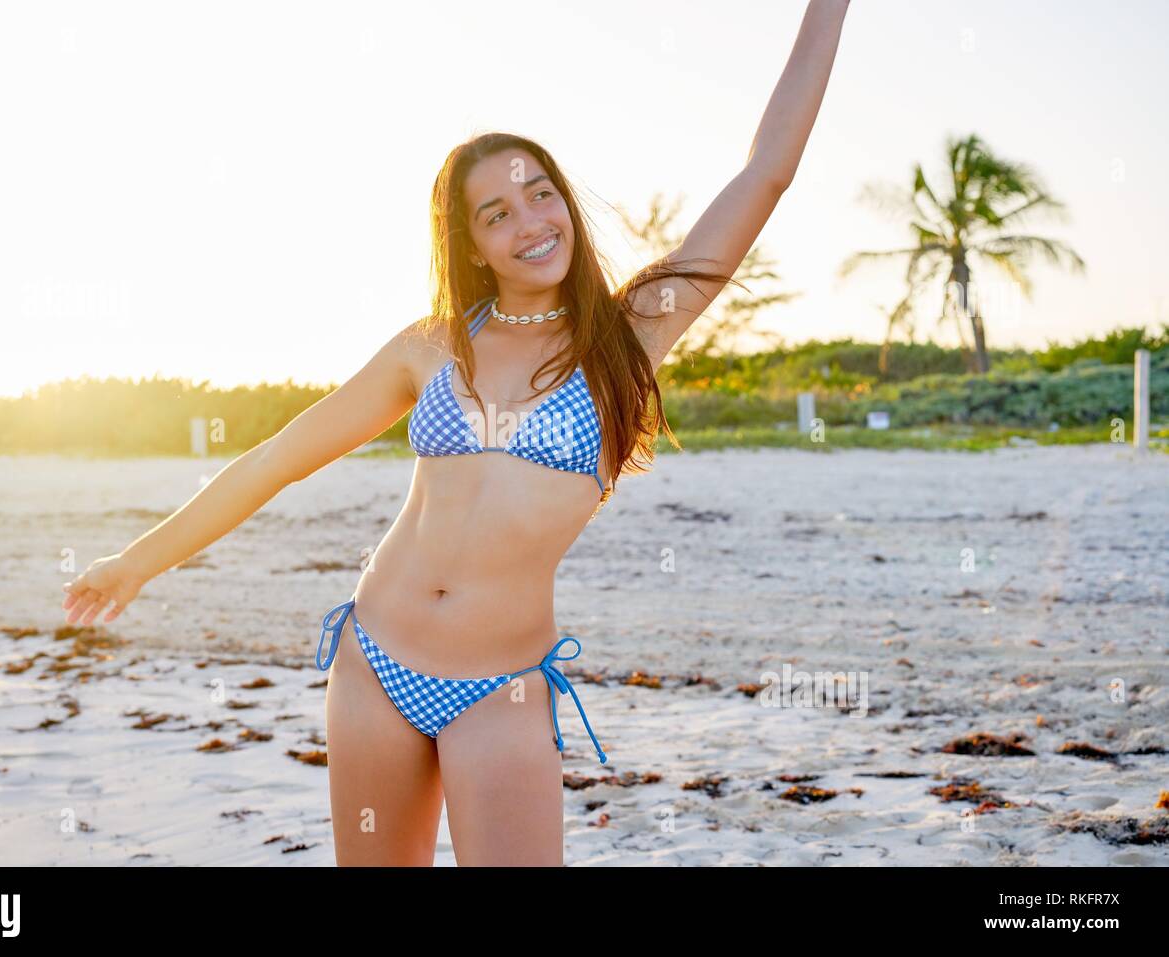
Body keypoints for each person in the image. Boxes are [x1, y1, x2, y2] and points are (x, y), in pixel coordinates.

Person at [61, 0, 850, 866]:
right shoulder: (429, 347)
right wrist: (138, 560)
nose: (530, 222)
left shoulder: (629, 339)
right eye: (498, 213)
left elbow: (766, 171)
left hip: (501, 687)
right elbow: (277, 460)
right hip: (376, 658)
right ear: (472, 243)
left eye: (540, 195)